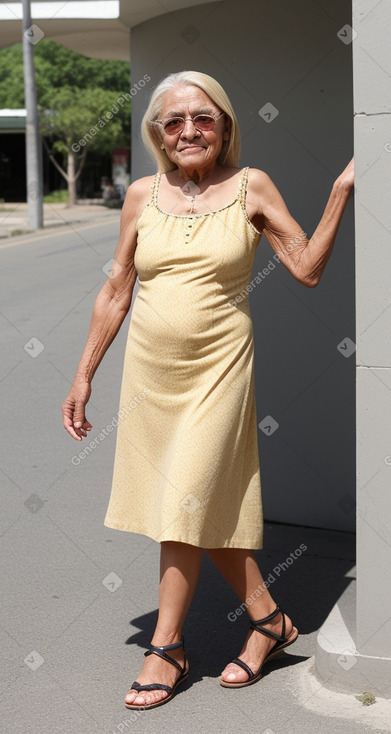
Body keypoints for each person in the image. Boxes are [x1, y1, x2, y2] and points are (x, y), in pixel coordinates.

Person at [62, 70, 354, 711]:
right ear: (158, 134)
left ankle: (166, 646)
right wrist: (84, 373)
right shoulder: (141, 195)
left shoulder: (252, 187)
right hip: (151, 377)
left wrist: (340, 190)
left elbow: (305, 267)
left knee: (183, 499)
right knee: (199, 508)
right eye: (174, 121)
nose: (189, 130)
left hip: (219, 371)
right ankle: (271, 623)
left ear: (224, 127)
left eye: (204, 119)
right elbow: (117, 290)